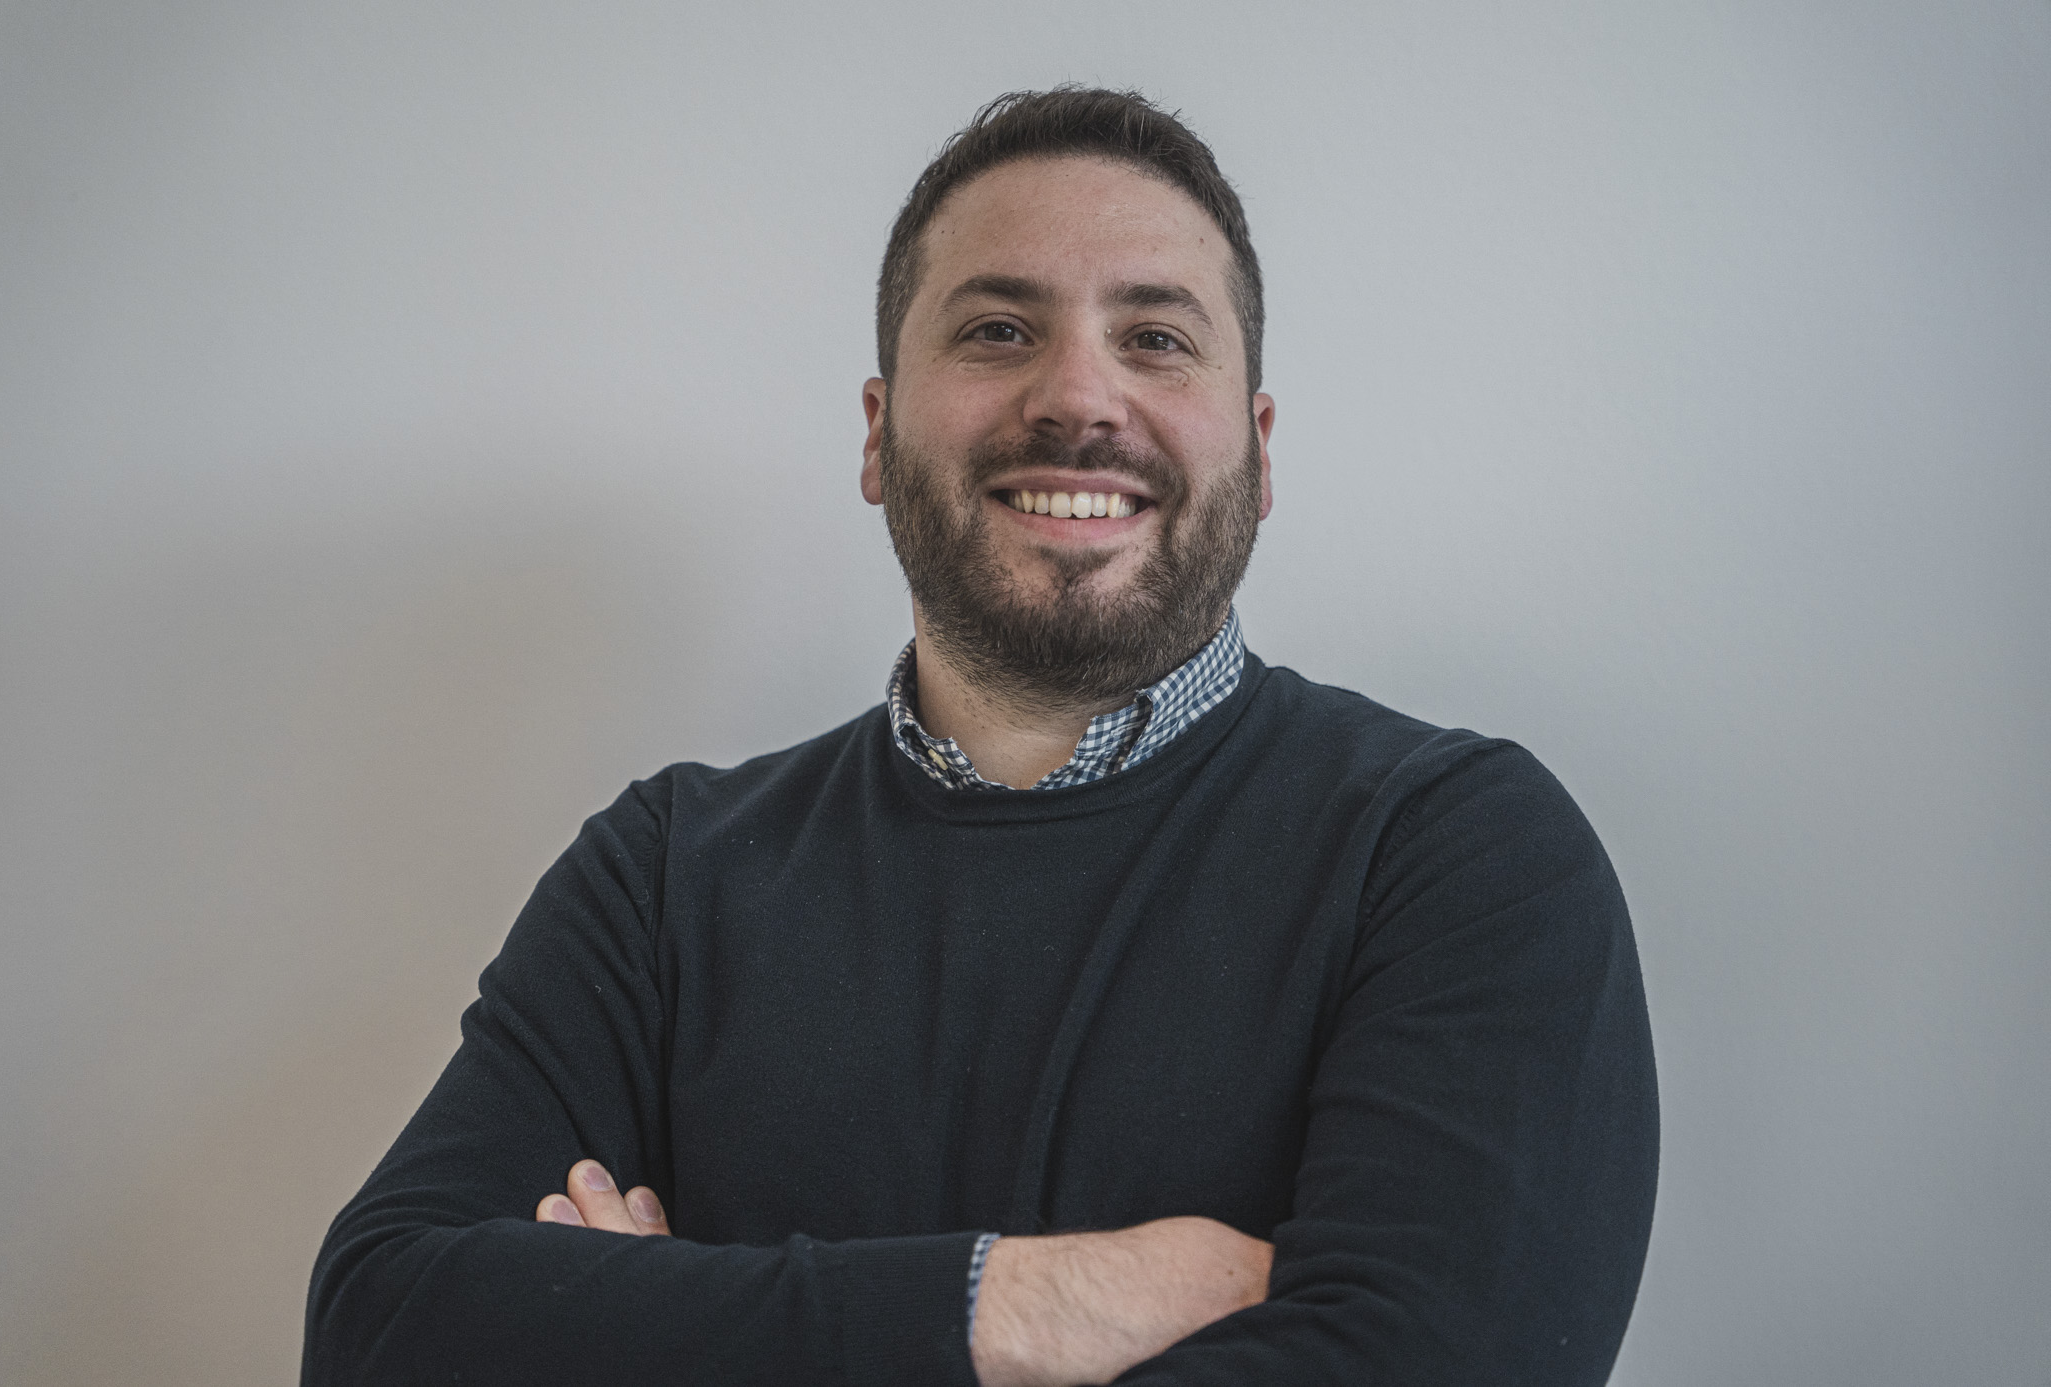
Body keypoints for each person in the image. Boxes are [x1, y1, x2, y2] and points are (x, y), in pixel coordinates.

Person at [304, 87, 1657, 1387]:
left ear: (1256, 454)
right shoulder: (666, 874)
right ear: (881, 436)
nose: (1079, 397)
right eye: (999, 331)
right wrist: (1024, 1305)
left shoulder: (1457, 856)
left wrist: (667, 1332)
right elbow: (381, 1333)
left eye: (1156, 337)